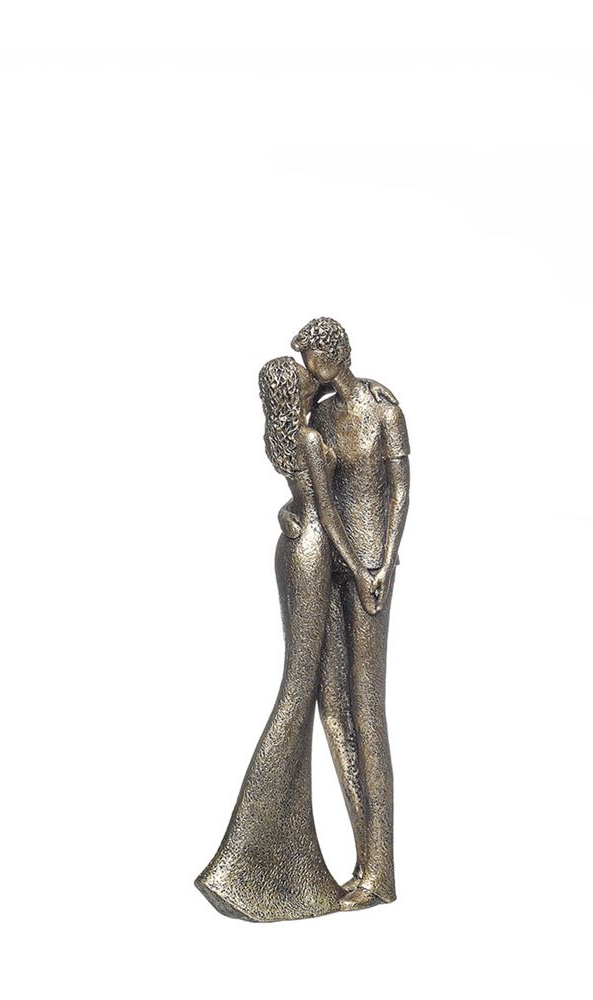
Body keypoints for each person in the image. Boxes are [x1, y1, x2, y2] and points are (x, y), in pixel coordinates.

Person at [195, 357, 378, 922]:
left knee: (308, 694)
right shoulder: (310, 437)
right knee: (299, 696)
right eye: (303, 380)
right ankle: (245, 858)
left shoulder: (282, 437)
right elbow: (326, 510)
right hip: (317, 550)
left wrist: (289, 512)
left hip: (296, 549)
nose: (312, 381)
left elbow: (300, 502)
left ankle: (281, 857)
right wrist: (362, 570)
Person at [284, 317, 411, 911]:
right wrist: (290, 515)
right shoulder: (319, 418)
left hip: (373, 568)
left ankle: (382, 871)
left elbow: (400, 489)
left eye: (311, 357)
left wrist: (380, 561)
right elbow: (316, 498)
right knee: (330, 706)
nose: (307, 369)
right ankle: (365, 861)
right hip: (334, 565)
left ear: (333, 353)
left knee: (367, 707)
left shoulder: (383, 408)